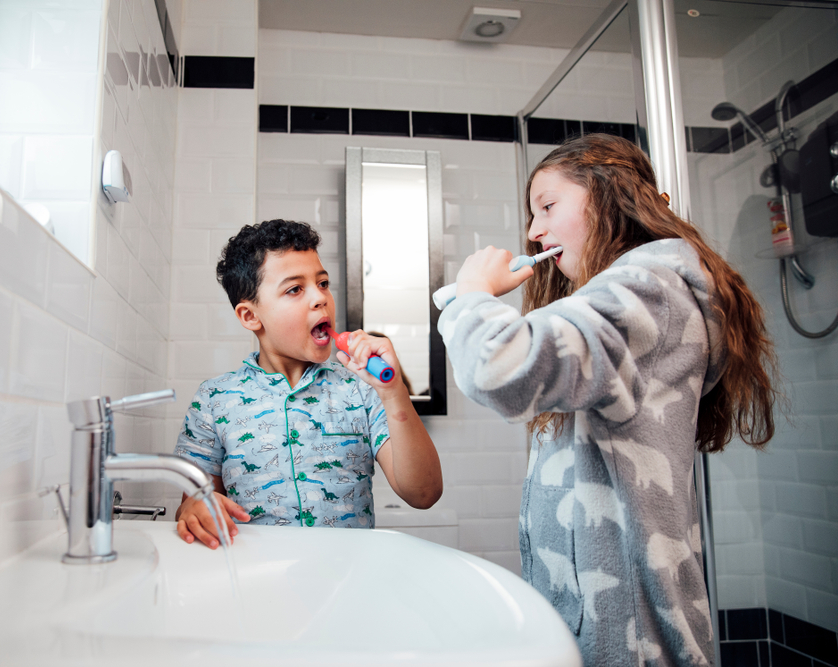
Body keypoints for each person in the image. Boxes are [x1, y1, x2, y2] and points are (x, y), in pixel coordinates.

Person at [439, 134, 777, 666]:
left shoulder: (648, 288)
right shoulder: (640, 294)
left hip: (628, 632)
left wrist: (474, 295)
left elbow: (497, 367)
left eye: (548, 206)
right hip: (614, 619)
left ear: (609, 194)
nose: (534, 230)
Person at [174, 219, 442, 548]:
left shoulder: (360, 389)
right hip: (255, 583)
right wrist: (193, 506)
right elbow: (194, 505)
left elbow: (424, 493)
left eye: (323, 283)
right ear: (250, 316)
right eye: (295, 289)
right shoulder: (214, 400)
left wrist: (394, 392)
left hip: (347, 581)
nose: (320, 298)